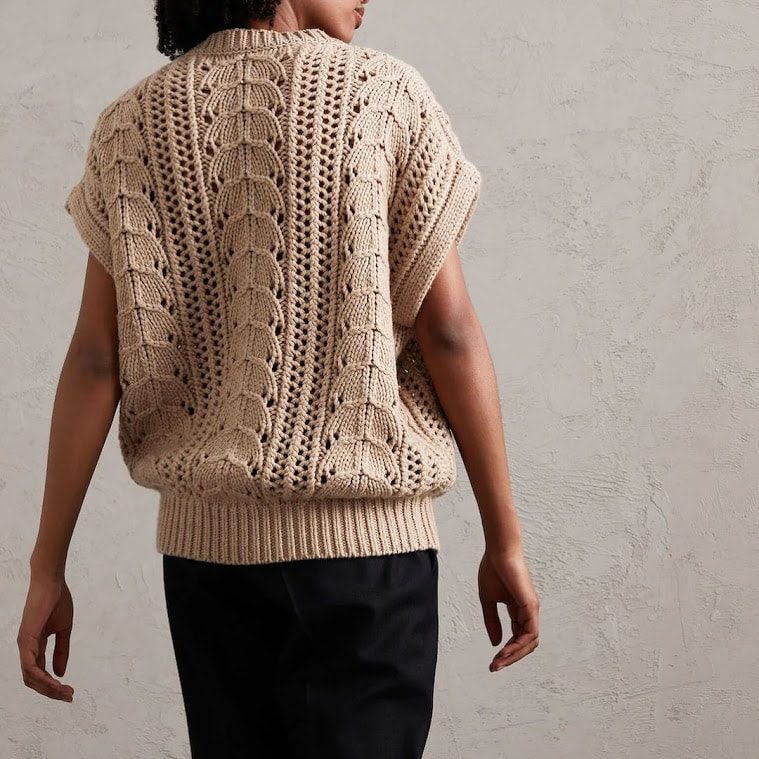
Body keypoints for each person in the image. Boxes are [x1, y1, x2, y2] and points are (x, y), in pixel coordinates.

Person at [17, 0, 540, 756]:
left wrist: (47, 568)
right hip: (366, 560)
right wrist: (505, 540)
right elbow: (449, 333)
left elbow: (98, 359)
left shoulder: (130, 124)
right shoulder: (382, 95)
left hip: (207, 567)